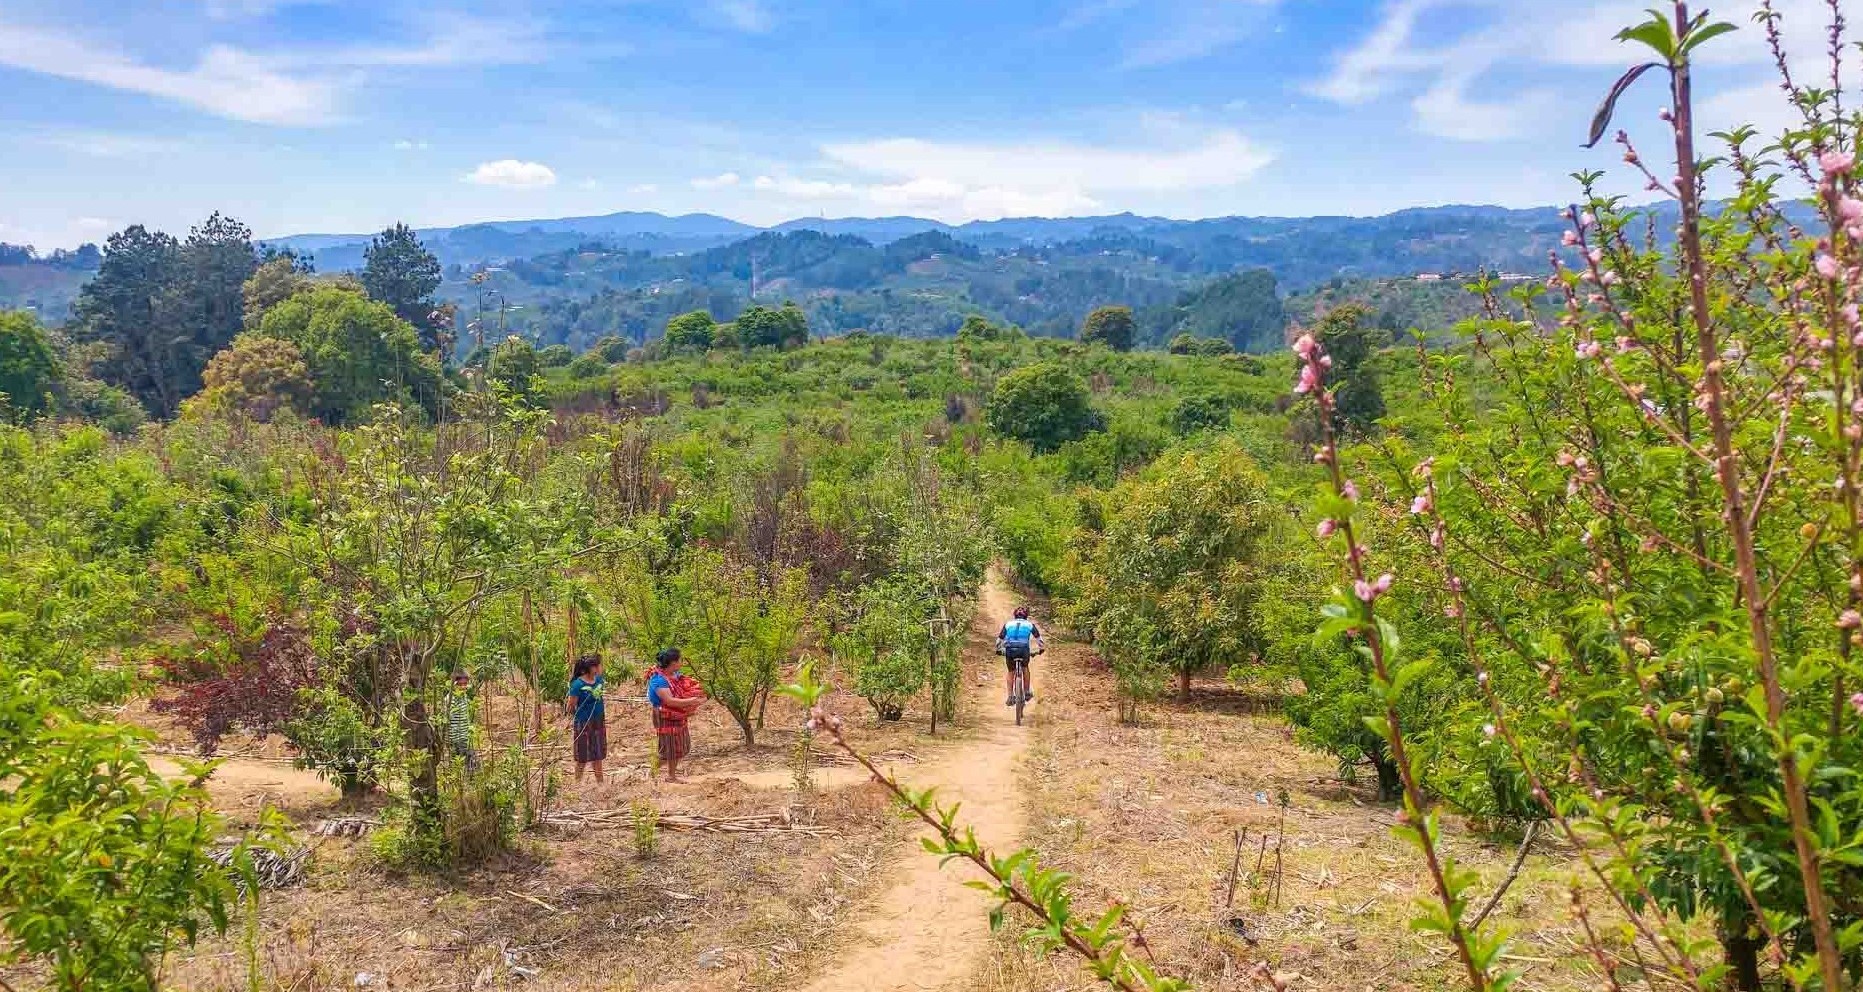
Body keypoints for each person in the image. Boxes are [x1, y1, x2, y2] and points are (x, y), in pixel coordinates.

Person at [646, 648, 705, 782]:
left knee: (679, 745)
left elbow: (686, 686)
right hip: (665, 715)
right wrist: (692, 701)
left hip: (677, 714)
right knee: (669, 747)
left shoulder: (675, 674)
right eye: (680, 660)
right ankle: (660, 773)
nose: (681, 663)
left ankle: (665, 774)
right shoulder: (658, 679)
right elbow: (669, 701)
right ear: (673, 663)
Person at [565, 654, 607, 784]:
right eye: (599, 665)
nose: (601, 668)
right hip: (583, 723)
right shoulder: (577, 685)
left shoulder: (599, 681)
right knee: (582, 756)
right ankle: (577, 784)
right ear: (592, 668)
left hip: (598, 721)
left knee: (598, 754)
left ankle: (600, 783)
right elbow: (570, 706)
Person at [995, 606, 1046, 706]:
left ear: (1015, 615)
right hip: (1023, 650)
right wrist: (1041, 649)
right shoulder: (1030, 624)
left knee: (1011, 672)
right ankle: (1026, 692)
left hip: (1010, 649)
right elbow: (1039, 639)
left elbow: (999, 640)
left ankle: (1010, 696)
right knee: (1025, 667)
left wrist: (998, 650)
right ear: (1026, 616)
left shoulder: (1008, 624)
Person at [445, 669, 479, 774]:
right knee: (457, 764)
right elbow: (446, 721)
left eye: (465, 684)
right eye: (460, 684)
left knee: (471, 763)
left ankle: (469, 783)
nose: (463, 687)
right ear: (454, 684)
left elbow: (466, 717)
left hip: (465, 737)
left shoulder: (464, 696)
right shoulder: (449, 700)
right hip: (455, 739)